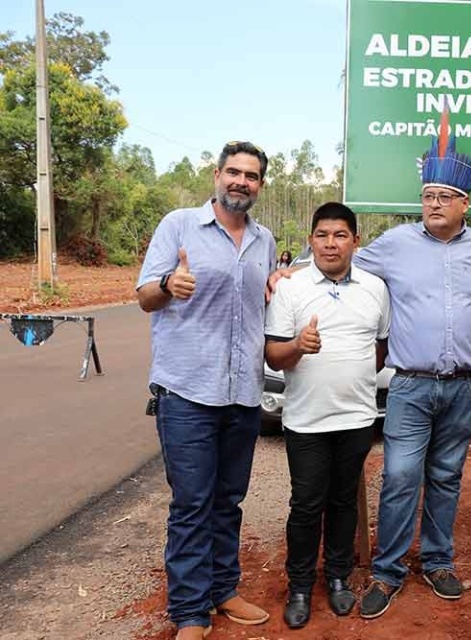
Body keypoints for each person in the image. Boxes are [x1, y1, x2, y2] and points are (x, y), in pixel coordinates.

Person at [353, 121, 471, 619]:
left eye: (445, 196)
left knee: (445, 476)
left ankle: (438, 562)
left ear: (465, 203)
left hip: (465, 388)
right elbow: (339, 264)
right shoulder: (394, 244)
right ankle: (388, 571)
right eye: (427, 195)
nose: (434, 203)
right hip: (411, 386)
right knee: (399, 476)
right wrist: (291, 270)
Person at [136, 141, 275, 640]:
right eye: (233, 172)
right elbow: (144, 297)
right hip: (188, 392)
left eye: (251, 176)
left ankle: (223, 589)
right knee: (192, 503)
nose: (241, 181)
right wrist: (169, 283)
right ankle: (191, 613)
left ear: (260, 185)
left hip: (242, 393)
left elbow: (262, 300)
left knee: (228, 500)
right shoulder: (179, 225)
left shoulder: (264, 240)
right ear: (216, 175)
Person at [264, 202, 390, 627]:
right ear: (311, 239)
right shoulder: (290, 289)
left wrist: (349, 380)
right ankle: (299, 585)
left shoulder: (375, 287)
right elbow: (274, 356)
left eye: (340, 235)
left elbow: (379, 349)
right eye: (322, 235)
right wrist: (299, 346)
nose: (331, 243)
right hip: (306, 422)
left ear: (356, 240)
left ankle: (338, 577)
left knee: (342, 503)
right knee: (306, 504)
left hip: (356, 418)